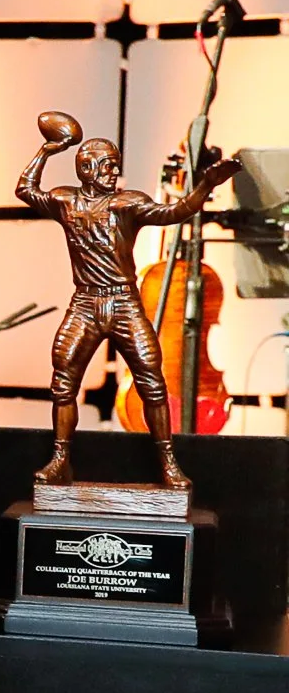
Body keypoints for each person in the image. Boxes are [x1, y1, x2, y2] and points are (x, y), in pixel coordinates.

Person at [16, 113, 238, 488]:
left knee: (152, 382)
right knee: (63, 381)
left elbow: (175, 211)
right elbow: (24, 189)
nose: (112, 171)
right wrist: (48, 149)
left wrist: (203, 186)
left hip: (123, 302)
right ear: (86, 168)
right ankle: (60, 460)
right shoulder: (65, 200)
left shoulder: (127, 204)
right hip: (85, 303)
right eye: (105, 165)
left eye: (115, 165)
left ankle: (168, 463)